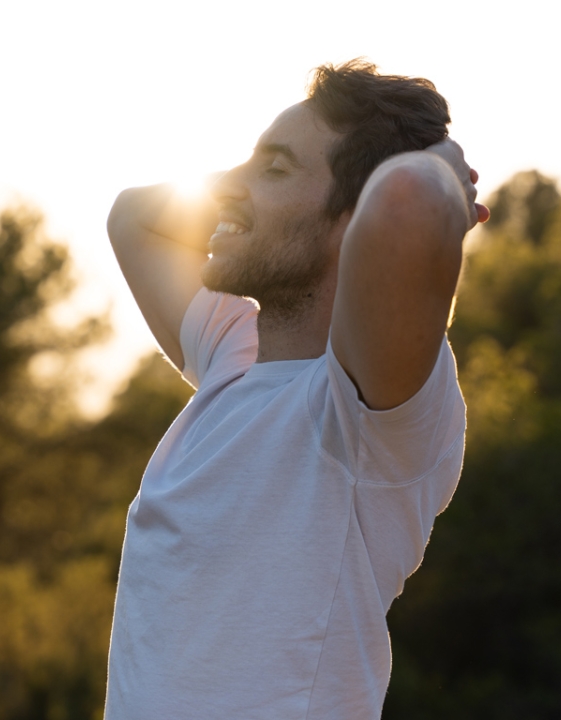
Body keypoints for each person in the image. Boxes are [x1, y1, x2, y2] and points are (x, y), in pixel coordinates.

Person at [103, 59, 489, 719]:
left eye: (277, 170)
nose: (234, 188)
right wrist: (252, 187)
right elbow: (131, 216)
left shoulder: (364, 412)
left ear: (353, 215)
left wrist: (439, 163)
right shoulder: (231, 353)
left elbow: (408, 204)